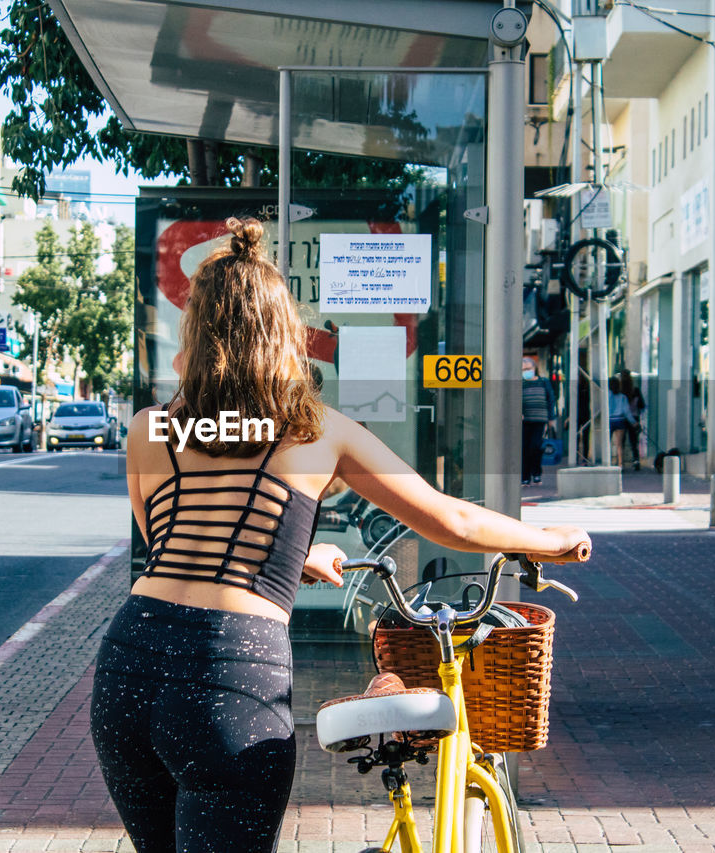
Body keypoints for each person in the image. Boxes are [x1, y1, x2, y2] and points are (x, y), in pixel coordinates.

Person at [90, 217, 592, 853]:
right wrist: (547, 537)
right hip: (230, 671)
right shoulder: (317, 431)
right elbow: (450, 519)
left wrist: (296, 551)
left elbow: (179, 546)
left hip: (130, 662)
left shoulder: (148, 431)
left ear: (200, 331)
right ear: (283, 335)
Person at [520, 355, 556, 485]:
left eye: (528, 368)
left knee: (535, 446)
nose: (526, 372)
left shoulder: (543, 381)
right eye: (523, 369)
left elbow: (550, 399)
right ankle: (525, 476)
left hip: (540, 420)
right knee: (524, 448)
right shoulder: (521, 383)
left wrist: (551, 418)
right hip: (525, 420)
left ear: (534, 368)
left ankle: (536, 473)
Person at [618, 370, 645, 471]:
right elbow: (642, 405)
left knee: (621, 442)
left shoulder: (619, 391)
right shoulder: (636, 390)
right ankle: (636, 460)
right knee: (634, 441)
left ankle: (621, 463)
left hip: (622, 418)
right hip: (634, 418)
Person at [607, 375, 635, 468]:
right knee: (619, 444)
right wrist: (633, 422)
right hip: (620, 420)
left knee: (608, 443)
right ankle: (620, 464)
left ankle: (608, 462)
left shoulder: (607, 395)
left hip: (610, 420)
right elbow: (626, 411)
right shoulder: (622, 397)